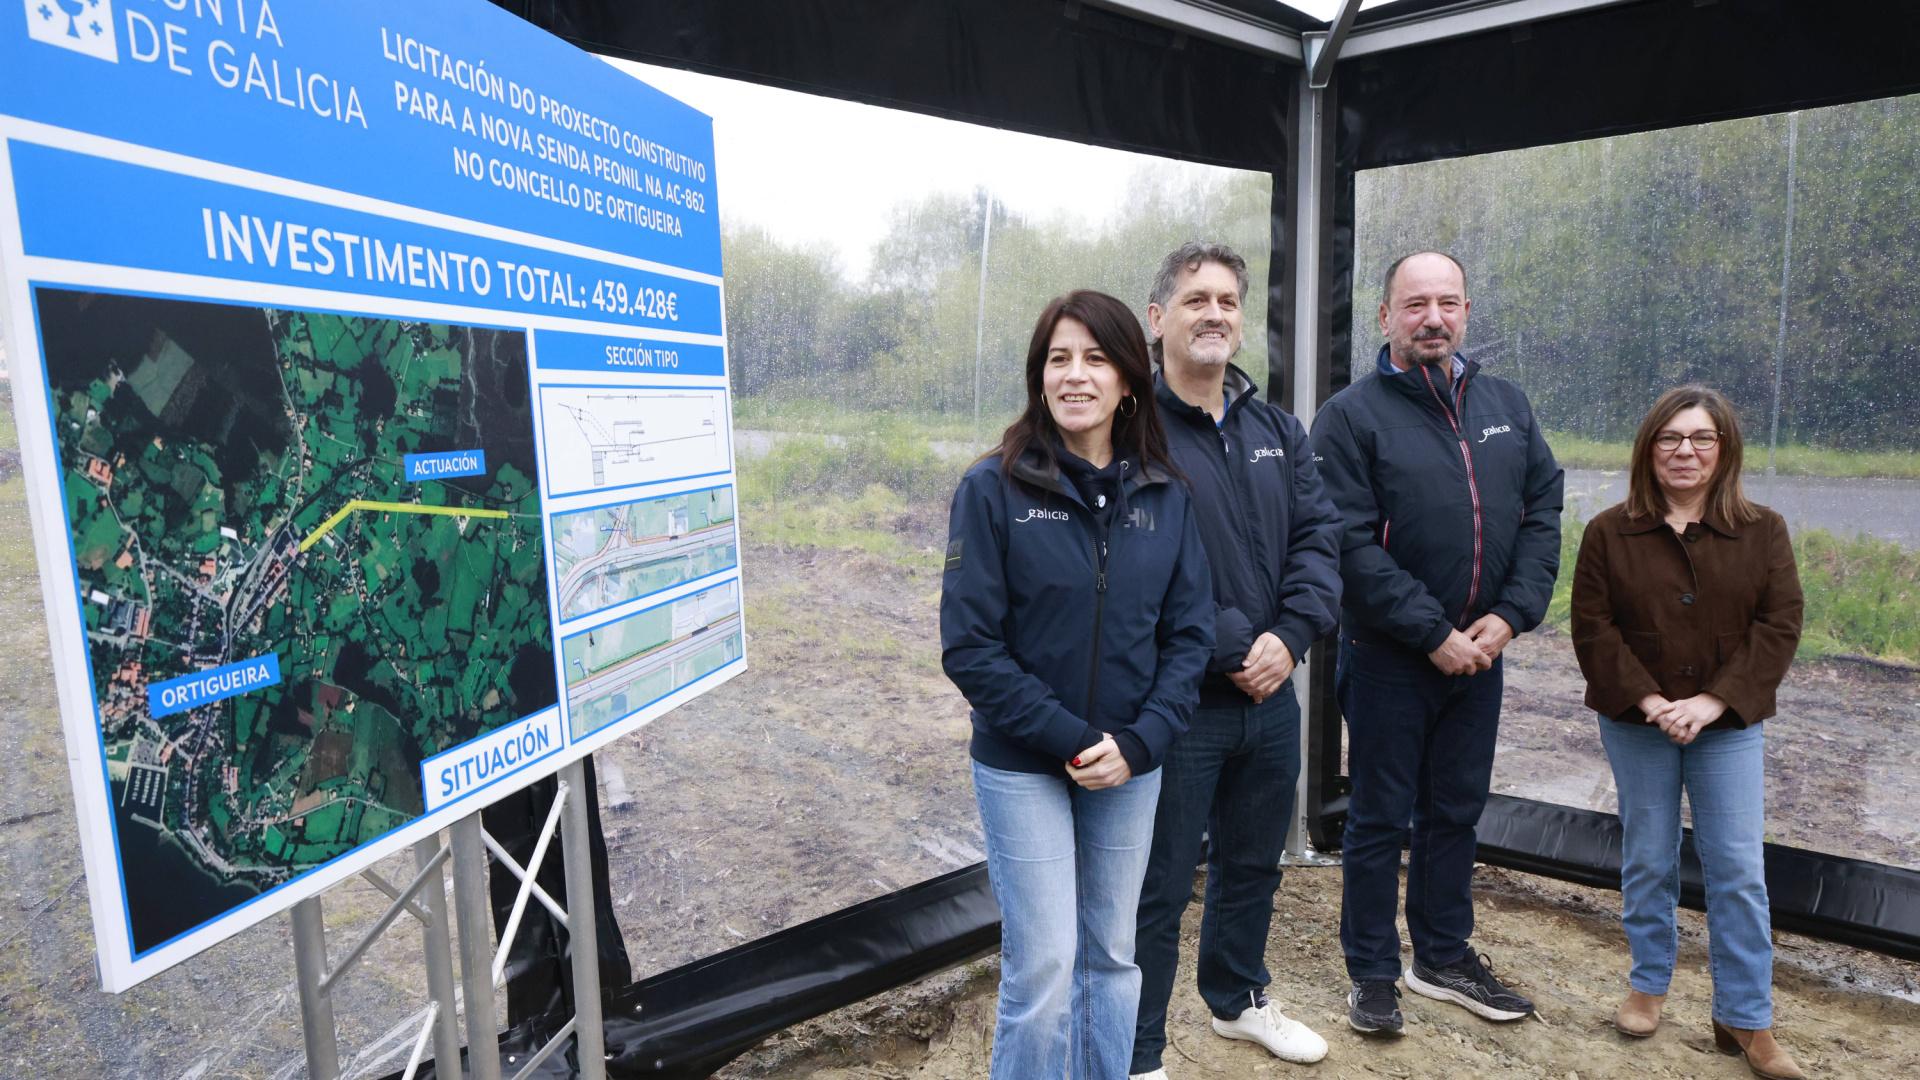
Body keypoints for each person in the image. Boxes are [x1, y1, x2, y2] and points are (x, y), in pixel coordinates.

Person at [941, 289, 1214, 1079]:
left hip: (1131, 764)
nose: (1075, 374)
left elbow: (1190, 637)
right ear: (1039, 376)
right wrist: (1074, 738)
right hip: (1025, 763)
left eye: (1095, 357)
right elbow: (971, 648)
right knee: (1046, 962)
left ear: (1129, 377)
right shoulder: (992, 489)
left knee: (1112, 952)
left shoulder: (1166, 494)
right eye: (1058, 358)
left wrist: (1137, 743)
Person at [1309, 251, 1563, 1036]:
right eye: (1415, 304)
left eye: (1447, 303)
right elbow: (1348, 545)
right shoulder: (1349, 417)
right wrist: (1433, 633)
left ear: (1466, 310)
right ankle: (1374, 972)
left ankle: (1443, 957)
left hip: (1480, 657)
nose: (1433, 319)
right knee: (1381, 816)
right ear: (1384, 316)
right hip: (1389, 657)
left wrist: (1511, 615)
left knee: (1455, 810)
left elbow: (1544, 509)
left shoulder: (1506, 405)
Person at [1128, 243, 1342, 1079]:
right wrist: (1231, 647)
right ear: (1157, 319)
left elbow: (1319, 540)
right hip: (1179, 705)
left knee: (1255, 862)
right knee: (1160, 884)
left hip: (1272, 697)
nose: (1214, 313)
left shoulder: (1273, 428)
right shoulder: (1130, 428)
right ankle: (1139, 1048)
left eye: (1227, 300)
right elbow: (1139, 561)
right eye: (1194, 299)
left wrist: (1289, 638)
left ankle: (1236, 1000)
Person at [1570, 386, 1806, 1080]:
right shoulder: (1611, 531)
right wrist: (1650, 699)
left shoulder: (1763, 529)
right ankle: (1648, 985)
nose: (1685, 451)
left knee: (1736, 870)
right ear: (1649, 448)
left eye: (1701, 438)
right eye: (1670, 438)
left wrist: (1711, 701)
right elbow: (1593, 628)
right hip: (1638, 723)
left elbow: (1779, 626)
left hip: (1726, 725)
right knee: (1649, 857)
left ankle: (1746, 1017)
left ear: (1724, 449)